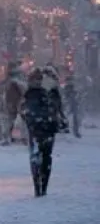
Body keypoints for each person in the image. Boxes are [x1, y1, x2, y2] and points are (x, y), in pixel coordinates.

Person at [21, 67, 66, 197]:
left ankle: (38, 186)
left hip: (36, 128)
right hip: (47, 128)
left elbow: (25, 111)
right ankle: (42, 186)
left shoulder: (32, 92)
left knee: (37, 156)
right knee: (46, 157)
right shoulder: (51, 92)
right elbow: (58, 109)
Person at [3, 62, 26, 144]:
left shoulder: (11, 79)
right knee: (20, 120)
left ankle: (10, 137)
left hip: (13, 102)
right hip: (16, 102)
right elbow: (23, 90)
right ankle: (20, 137)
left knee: (12, 120)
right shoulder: (18, 79)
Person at [62, 64, 82, 138]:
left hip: (72, 102)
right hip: (70, 101)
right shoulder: (69, 82)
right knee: (70, 116)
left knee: (74, 117)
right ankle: (70, 129)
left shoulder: (73, 80)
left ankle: (74, 130)